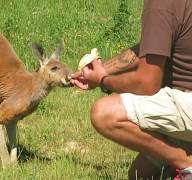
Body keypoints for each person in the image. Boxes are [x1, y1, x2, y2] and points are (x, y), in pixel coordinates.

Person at [70, 0, 192, 179]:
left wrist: (104, 81)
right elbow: (153, 46)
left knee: (104, 113)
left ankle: (187, 164)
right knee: (139, 174)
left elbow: (147, 83)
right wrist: (103, 70)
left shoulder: (160, 4)